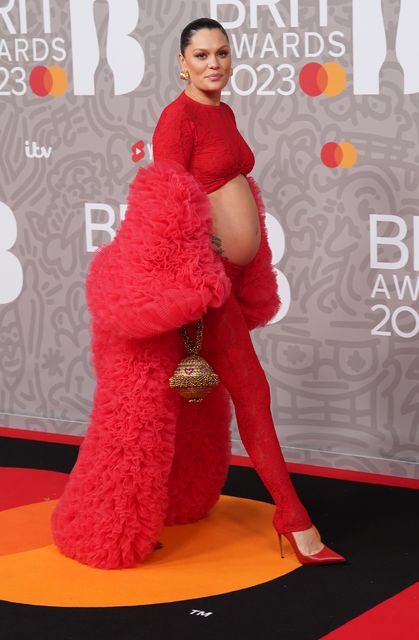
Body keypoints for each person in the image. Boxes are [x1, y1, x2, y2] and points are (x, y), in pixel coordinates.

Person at [152, 17, 346, 565]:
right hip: (205, 284)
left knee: (188, 403)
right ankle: (293, 516)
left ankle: (158, 504)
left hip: (232, 279)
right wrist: (208, 257)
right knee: (250, 393)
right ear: (182, 62)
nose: (214, 64)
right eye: (202, 55)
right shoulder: (177, 118)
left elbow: (227, 184)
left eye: (222, 53)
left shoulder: (224, 112)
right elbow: (168, 205)